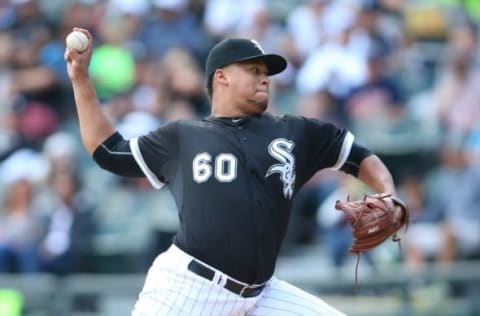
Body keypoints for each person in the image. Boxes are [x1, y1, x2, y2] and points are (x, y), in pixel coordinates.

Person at [65, 27, 402, 316]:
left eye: (265, 71)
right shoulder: (183, 137)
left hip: (261, 296)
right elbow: (108, 151)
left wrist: (388, 192)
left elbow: (358, 156)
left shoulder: (296, 132)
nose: (264, 77)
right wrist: (80, 78)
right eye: (253, 69)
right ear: (221, 76)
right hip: (187, 290)